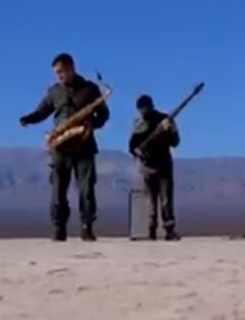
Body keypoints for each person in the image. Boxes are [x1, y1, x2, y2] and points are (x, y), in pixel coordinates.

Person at [19, 53, 110, 242]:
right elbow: (42, 111)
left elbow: (104, 115)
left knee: (86, 190)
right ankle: (59, 228)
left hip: (84, 146)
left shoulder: (90, 89)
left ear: (71, 67)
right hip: (61, 146)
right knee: (58, 190)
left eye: (61, 71)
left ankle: (87, 227)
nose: (59, 75)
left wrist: (91, 124)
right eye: (56, 73)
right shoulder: (54, 91)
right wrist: (29, 118)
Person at [129, 95, 181, 241]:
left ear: (152, 106)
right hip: (147, 167)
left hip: (164, 165)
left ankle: (169, 230)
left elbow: (175, 141)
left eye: (145, 108)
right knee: (150, 201)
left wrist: (168, 131)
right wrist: (139, 153)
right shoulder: (138, 124)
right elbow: (132, 147)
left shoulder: (165, 119)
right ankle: (150, 230)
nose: (143, 111)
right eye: (141, 109)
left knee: (166, 200)